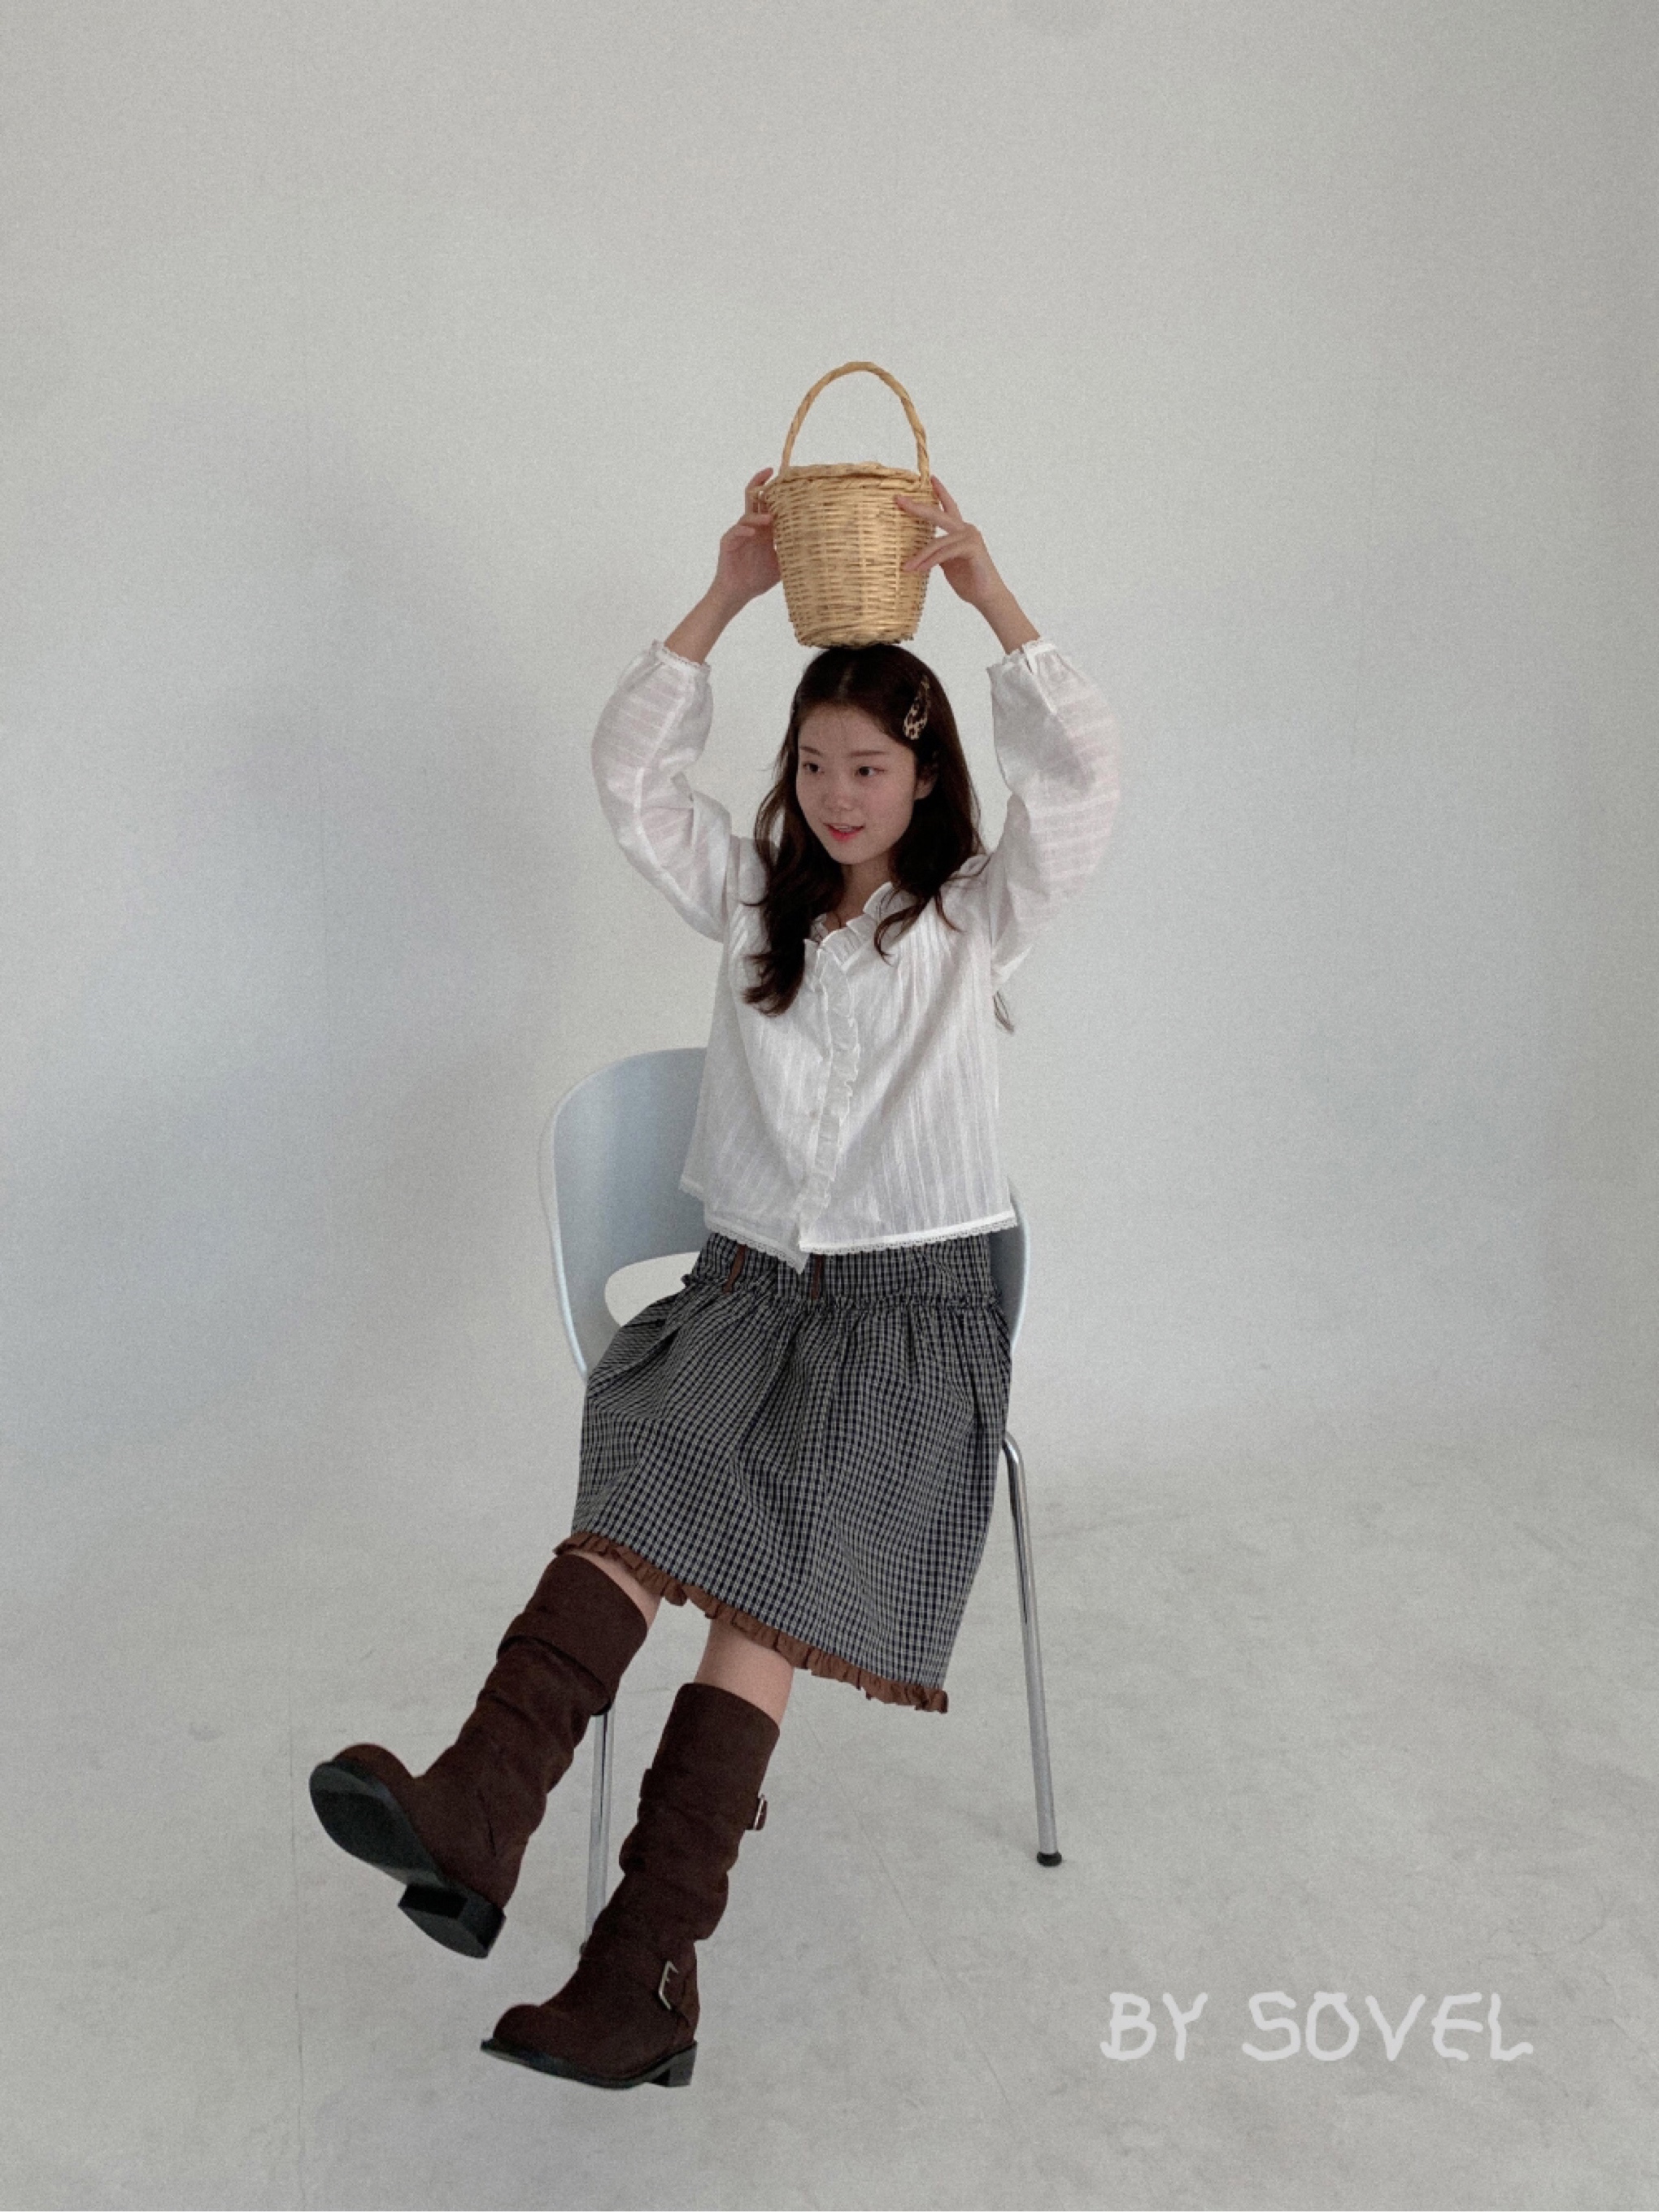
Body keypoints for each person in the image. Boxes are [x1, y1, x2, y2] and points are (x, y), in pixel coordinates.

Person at [309, 468, 1122, 2092]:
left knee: (765, 1557)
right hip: (748, 1294)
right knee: (646, 1458)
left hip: (912, 1323)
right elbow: (628, 774)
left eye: (869, 768)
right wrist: (729, 593)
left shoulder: (975, 919)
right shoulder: (755, 900)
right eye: (813, 765)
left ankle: (646, 1964)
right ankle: (479, 1810)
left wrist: (988, 594)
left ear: (926, 775)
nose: (837, 796)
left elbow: (1088, 777)